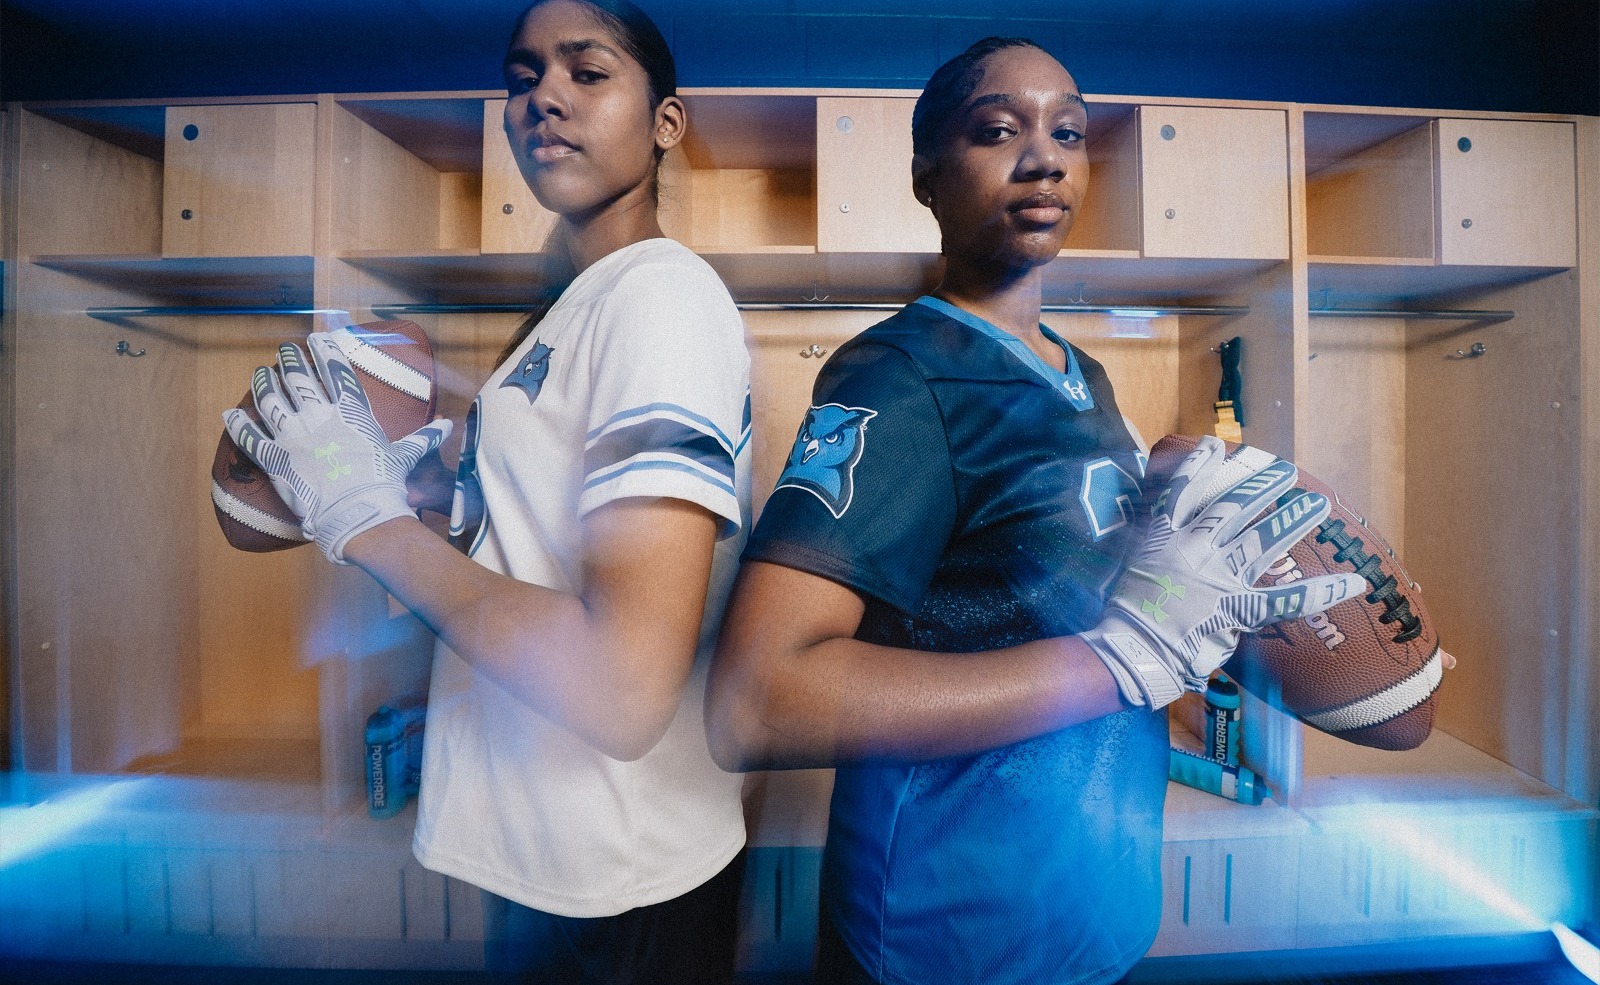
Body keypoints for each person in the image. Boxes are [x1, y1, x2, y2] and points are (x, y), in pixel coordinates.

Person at [705, 38, 1363, 985]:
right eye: (998, 129)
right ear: (929, 177)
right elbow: (757, 702)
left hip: (1092, 910)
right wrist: (1118, 659)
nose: (1045, 155)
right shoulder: (902, 375)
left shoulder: (1083, 375)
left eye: (1068, 131)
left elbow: (1083, 605)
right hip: (949, 933)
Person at [224, 2, 750, 981]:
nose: (543, 95)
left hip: (617, 874)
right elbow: (539, 540)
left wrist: (368, 517)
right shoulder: (577, 311)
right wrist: (436, 494)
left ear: (666, 123)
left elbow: (625, 686)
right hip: (556, 856)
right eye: (522, 76)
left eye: (586, 72)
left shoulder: (660, 301)